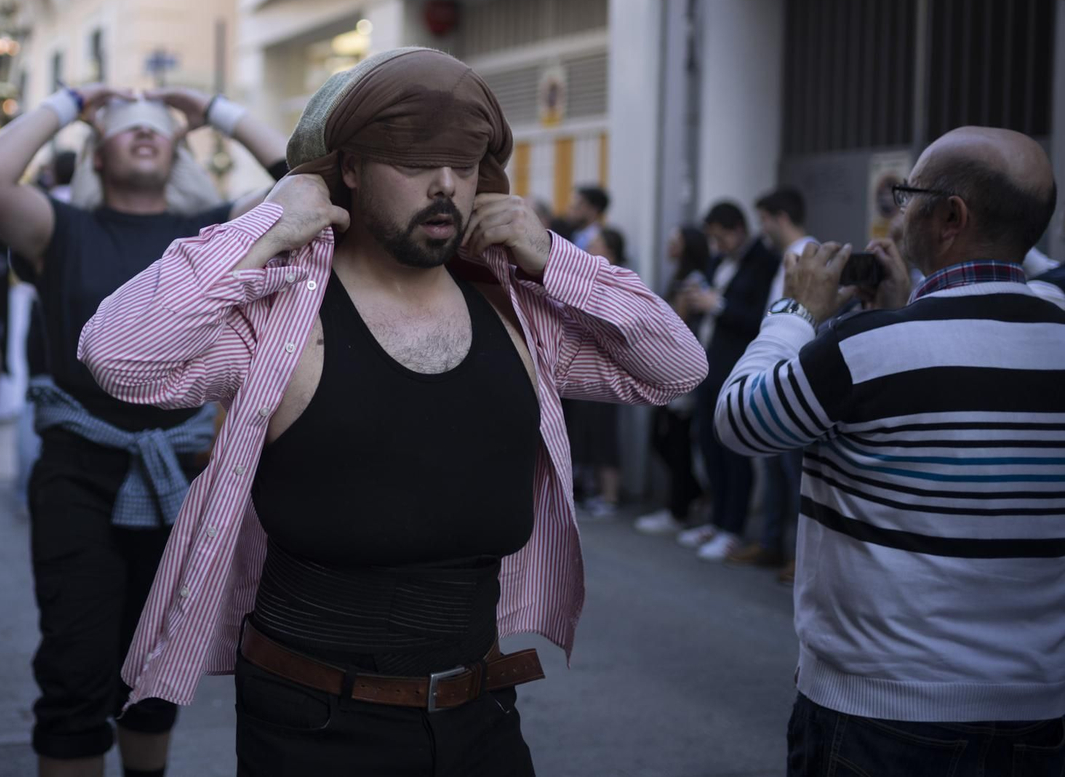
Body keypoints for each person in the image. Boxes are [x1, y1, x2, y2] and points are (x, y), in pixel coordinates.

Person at [78, 48, 707, 775]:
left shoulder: (517, 314)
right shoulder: (281, 323)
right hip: (315, 725)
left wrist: (550, 254)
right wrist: (261, 228)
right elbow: (120, 356)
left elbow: (676, 365)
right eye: (413, 163)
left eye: (464, 164)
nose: (445, 185)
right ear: (347, 170)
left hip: (483, 715)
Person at [715, 126, 1065, 774]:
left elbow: (742, 419)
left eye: (907, 195)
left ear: (951, 216)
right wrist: (899, 313)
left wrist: (796, 310)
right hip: (1043, 712)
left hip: (881, 715)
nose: (895, 211)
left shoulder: (866, 350)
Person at [0, 82, 288, 777]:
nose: (144, 133)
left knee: (155, 671)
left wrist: (217, 111)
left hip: (184, 471)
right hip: (78, 472)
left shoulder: (213, 228)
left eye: (158, 127)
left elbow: (302, 183)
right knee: (74, 673)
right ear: (96, 151)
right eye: (125, 127)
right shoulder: (59, 229)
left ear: (177, 148)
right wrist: (71, 100)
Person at [727, 187, 821, 580]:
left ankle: (800, 557)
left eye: (764, 218)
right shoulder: (786, 258)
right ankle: (770, 545)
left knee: (796, 476)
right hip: (774, 372)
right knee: (776, 470)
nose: (761, 227)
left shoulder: (810, 256)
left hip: (794, 372)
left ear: (780, 217)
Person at [677, 201, 779, 562]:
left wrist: (715, 304)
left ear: (737, 229)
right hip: (709, 363)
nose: (716, 245)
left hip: (737, 367)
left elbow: (759, 318)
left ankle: (733, 529)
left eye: (720, 237)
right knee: (707, 444)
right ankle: (717, 521)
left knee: (734, 451)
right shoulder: (719, 259)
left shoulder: (765, 262)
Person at [635, 225, 715, 536]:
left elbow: (677, 324)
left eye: (675, 240)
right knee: (664, 438)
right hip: (669, 370)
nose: (669, 244)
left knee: (675, 440)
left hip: (681, 371)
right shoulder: (682, 276)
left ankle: (679, 507)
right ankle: (689, 495)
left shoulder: (693, 280)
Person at [565, 226, 629, 517]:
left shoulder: (618, 282)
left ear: (611, 252)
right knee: (584, 431)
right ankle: (593, 490)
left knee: (605, 433)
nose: (589, 249)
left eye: (596, 244)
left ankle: (611, 496)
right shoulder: (591, 279)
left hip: (607, 370)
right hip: (586, 368)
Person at [567, 184, 609, 251]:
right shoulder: (576, 234)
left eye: (580, 204)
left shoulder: (598, 240)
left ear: (594, 209)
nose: (573, 208)